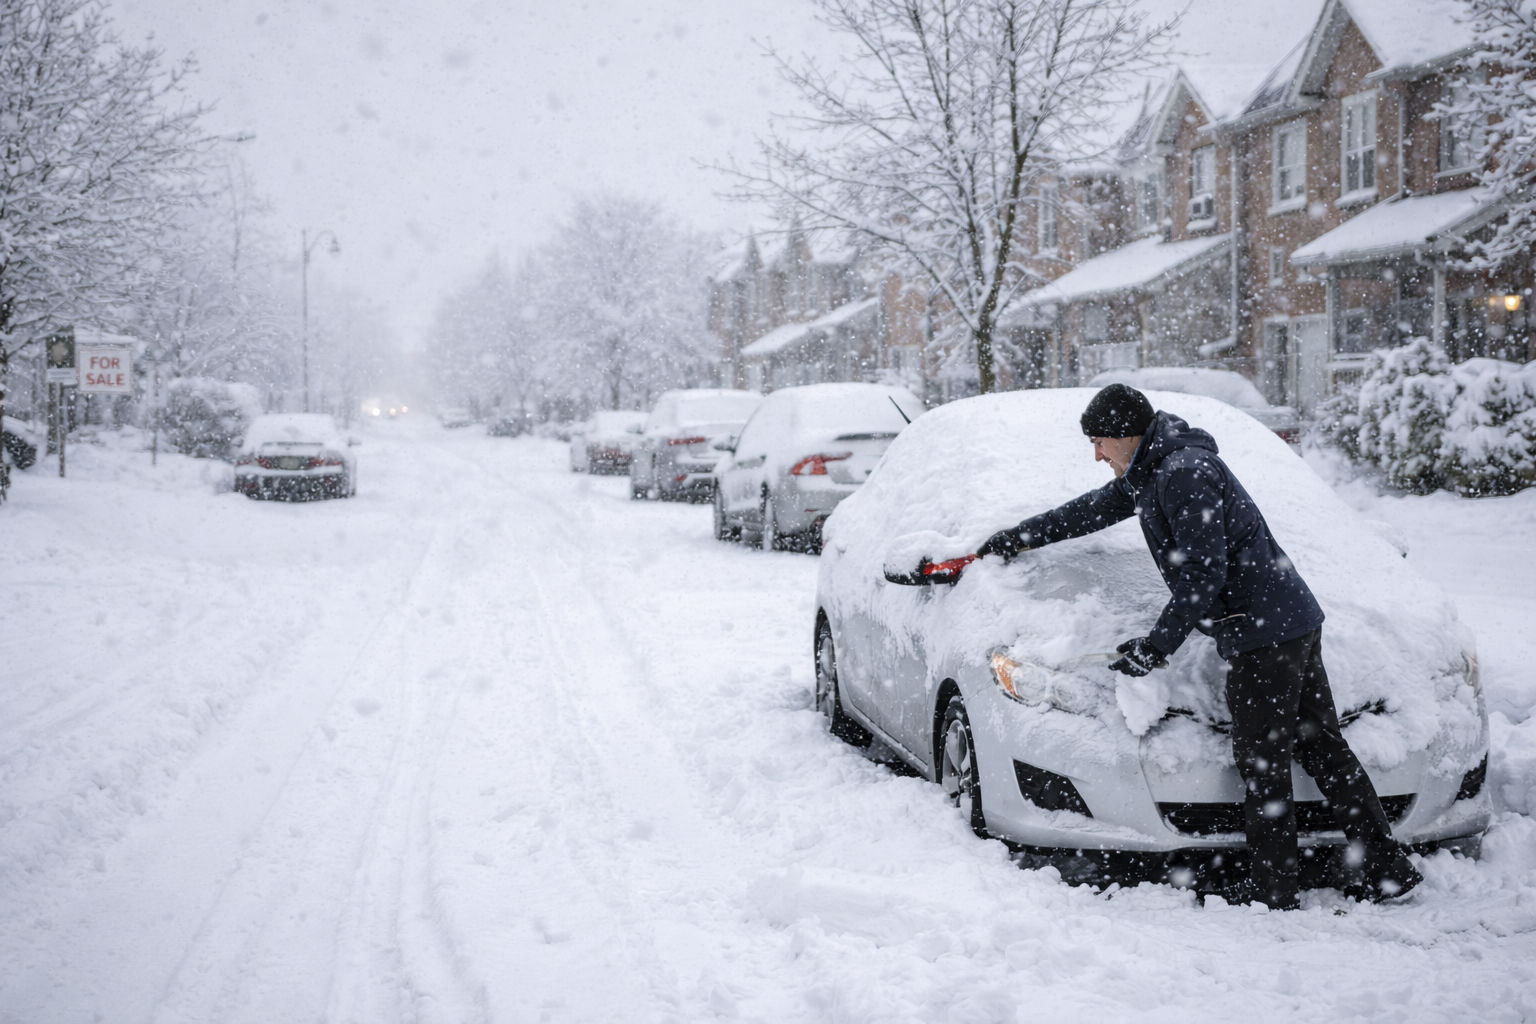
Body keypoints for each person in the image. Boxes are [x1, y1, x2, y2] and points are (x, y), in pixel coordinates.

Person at [975, 383, 1422, 910]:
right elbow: (1092, 510)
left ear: (1127, 434)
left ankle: (1273, 888)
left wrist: (1156, 646)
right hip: (1287, 620)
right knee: (1320, 746)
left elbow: (1202, 574)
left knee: (1263, 759)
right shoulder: (1153, 469)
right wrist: (1017, 537)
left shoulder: (1182, 472)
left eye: (1099, 441)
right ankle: (1386, 867)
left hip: (1264, 632)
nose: (1096, 454)